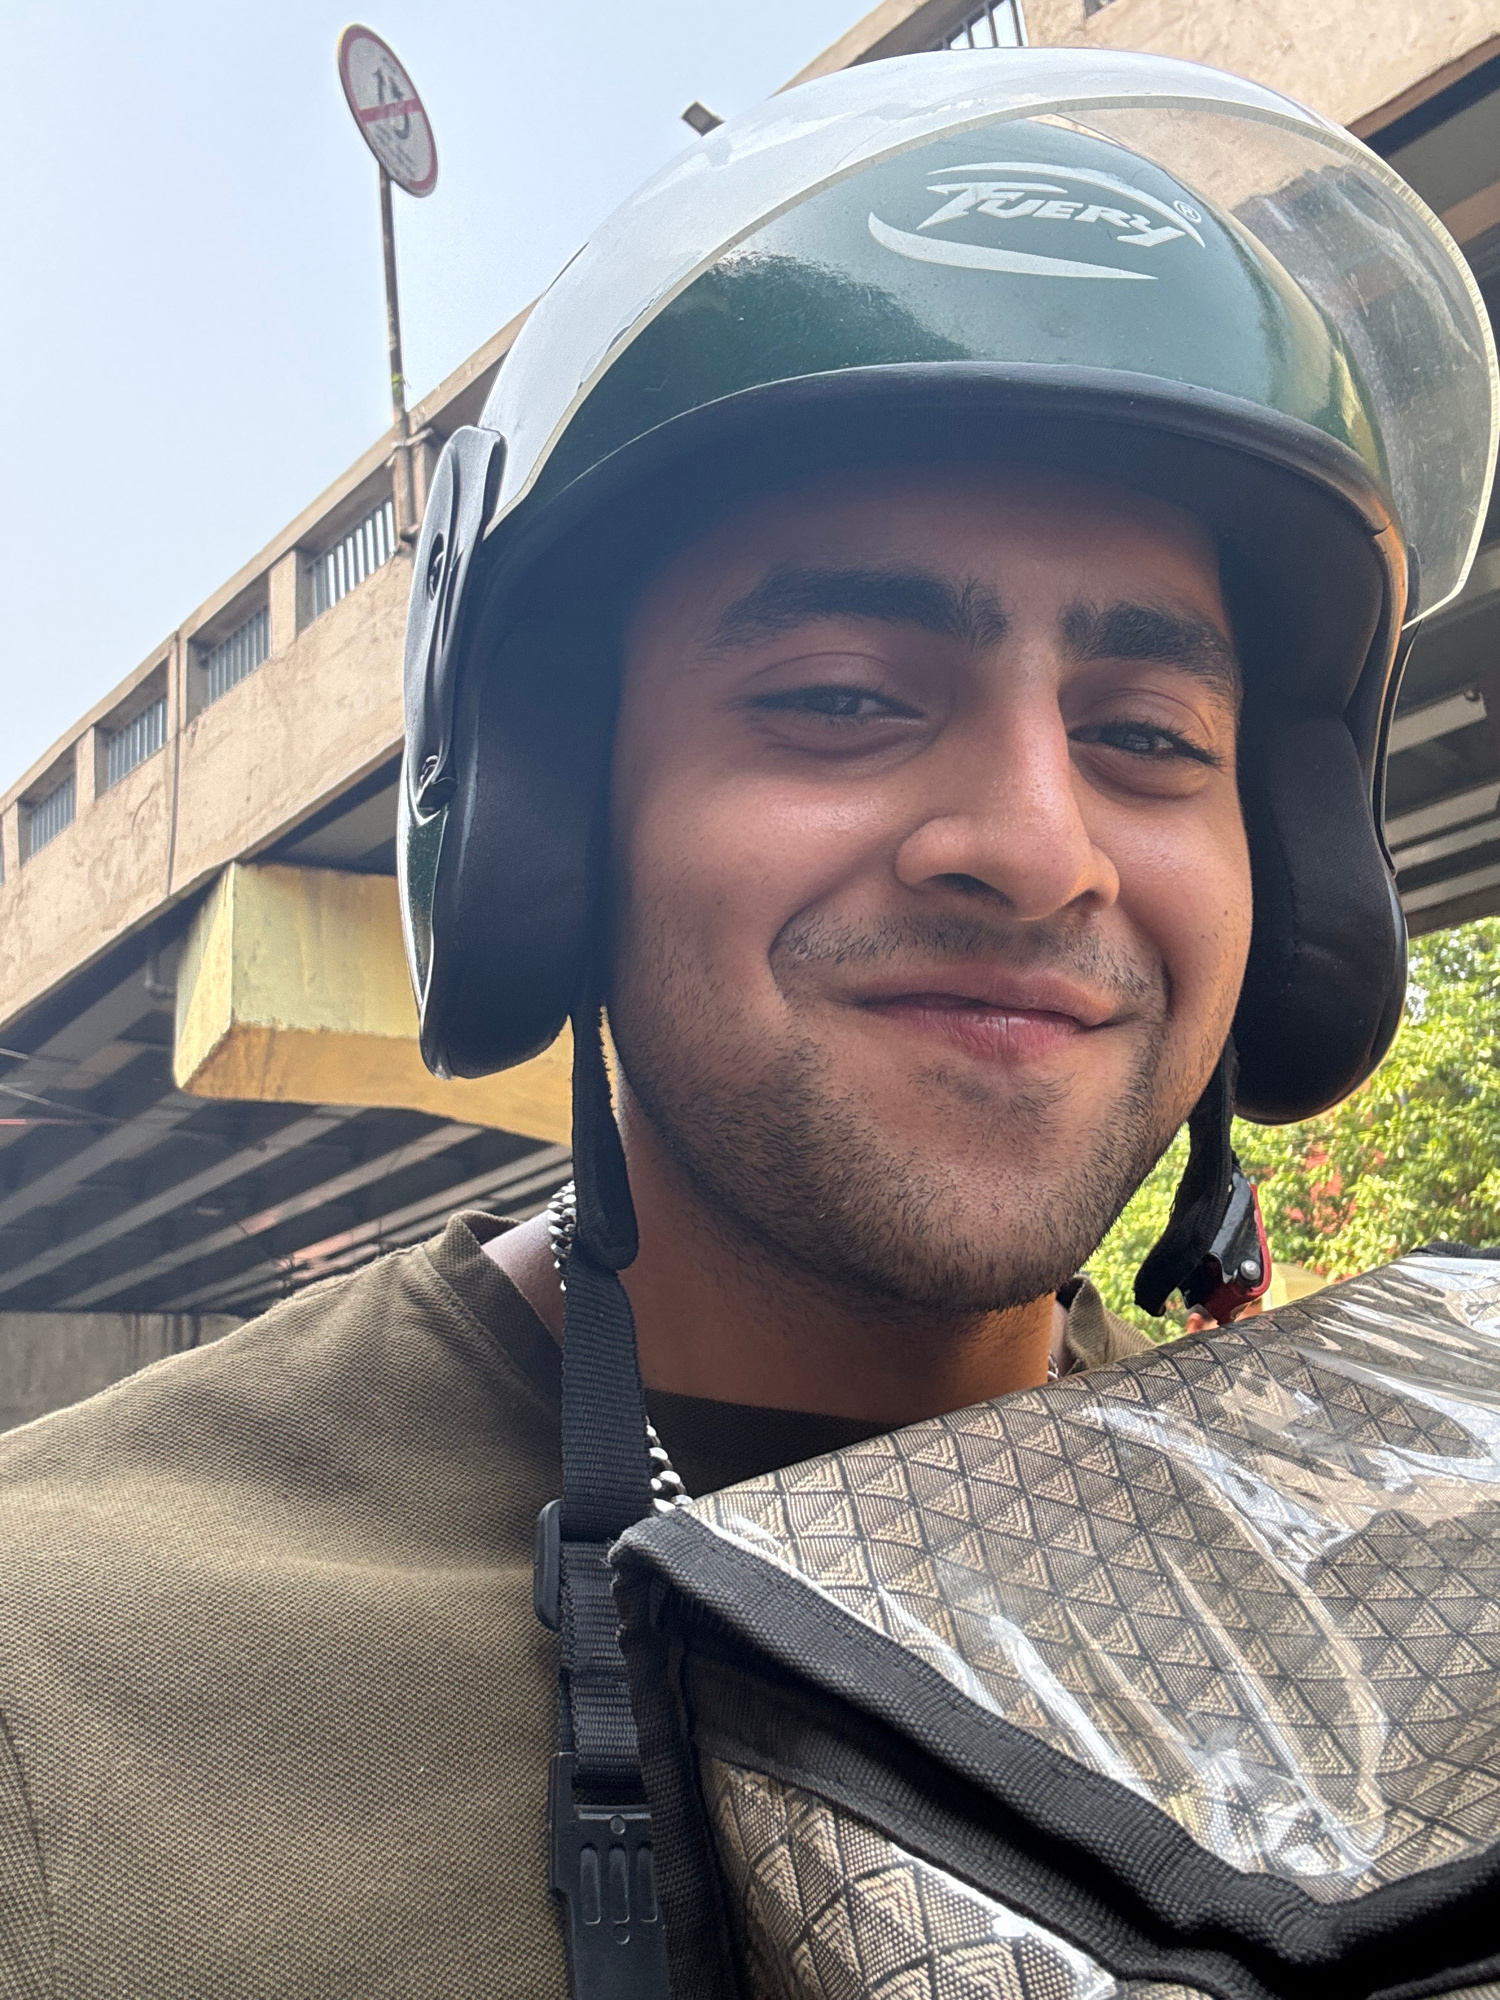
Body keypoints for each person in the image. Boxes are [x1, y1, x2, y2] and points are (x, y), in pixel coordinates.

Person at [0, 46, 1492, 2000]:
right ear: (549, 823)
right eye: (844, 698)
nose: (1039, 850)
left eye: (1145, 735)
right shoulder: (56, 1674)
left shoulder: (1383, 1549)